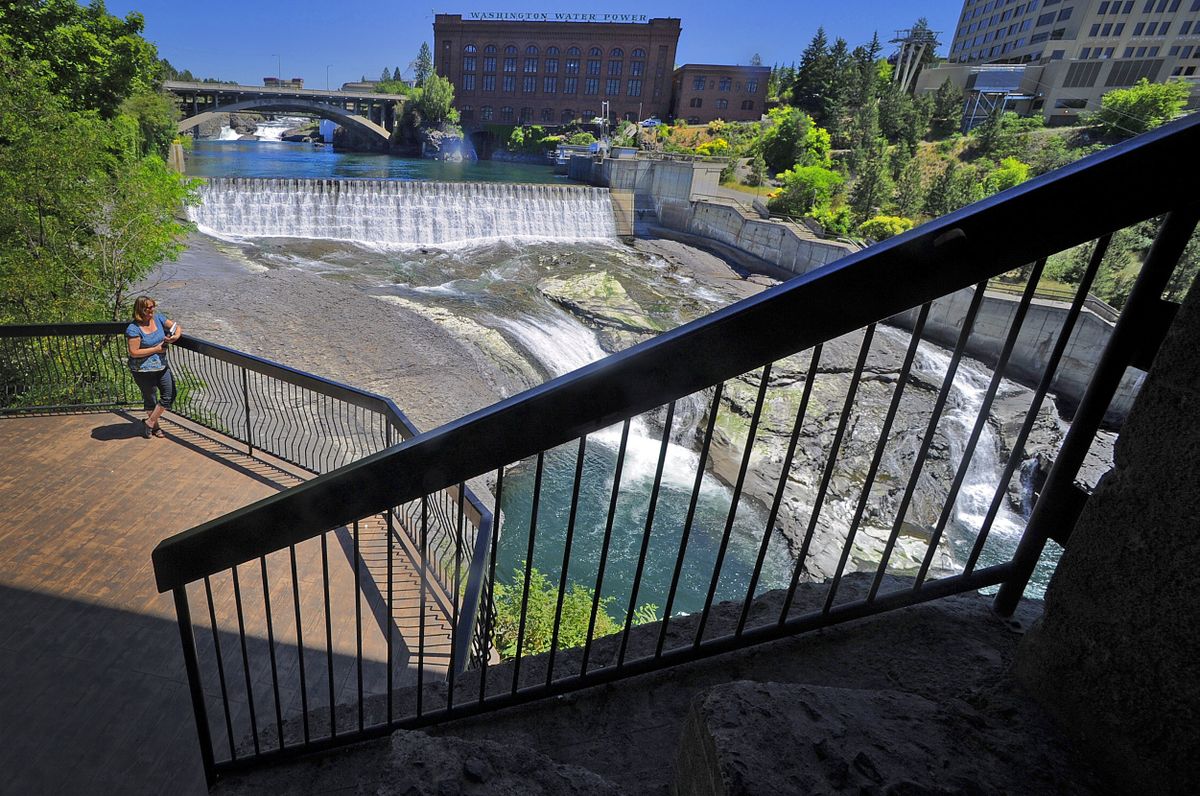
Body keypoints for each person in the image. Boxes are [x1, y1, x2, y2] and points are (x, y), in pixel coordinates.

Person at [126, 296, 182, 439]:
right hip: (142, 370)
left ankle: (149, 422)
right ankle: (155, 427)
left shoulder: (158, 319)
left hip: (161, 366)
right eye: (148, 308)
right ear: (140, 309)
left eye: (153, 306)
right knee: (150, 399)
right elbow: (134, 352)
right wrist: (156, 349)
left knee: (169, 394)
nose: (152, 310)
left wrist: (175, 336)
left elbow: (176, 326)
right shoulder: (133, 329)